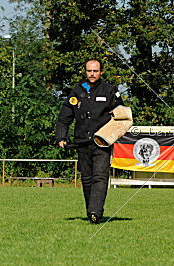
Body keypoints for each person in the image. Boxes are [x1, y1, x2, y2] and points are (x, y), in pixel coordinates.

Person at [56, 59, 124, 223]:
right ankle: (91, 210)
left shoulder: (109, 90)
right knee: (86, 178)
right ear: (85, 72)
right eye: (89, 71)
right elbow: (64, 117)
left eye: (95, 71)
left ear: (101, 72)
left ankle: (95, 212)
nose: (92, 74)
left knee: (100, 177)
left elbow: (121, 116)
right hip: (81, 142)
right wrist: (61, 136)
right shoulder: (77, 91)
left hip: (102, 142)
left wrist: (113, 134)